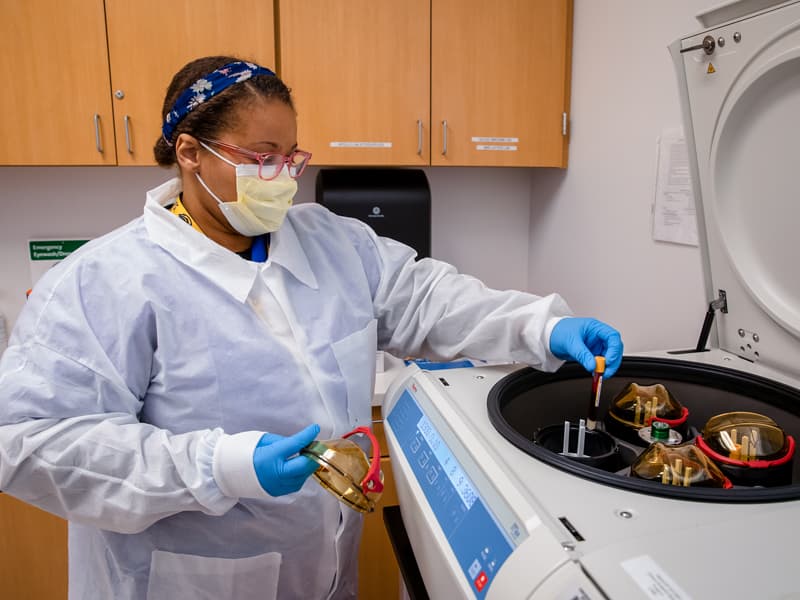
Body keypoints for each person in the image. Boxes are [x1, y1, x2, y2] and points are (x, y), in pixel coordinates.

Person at [0, 56, 623, 599]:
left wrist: (542, 327)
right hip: (186, 580)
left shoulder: (331, 241)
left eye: (290, 156)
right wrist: (221, 464)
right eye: (260, 158)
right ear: (190, 153)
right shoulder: (104, 282)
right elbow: (30, 443)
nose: (283, 177)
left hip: (323, 572)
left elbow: (429, 300)